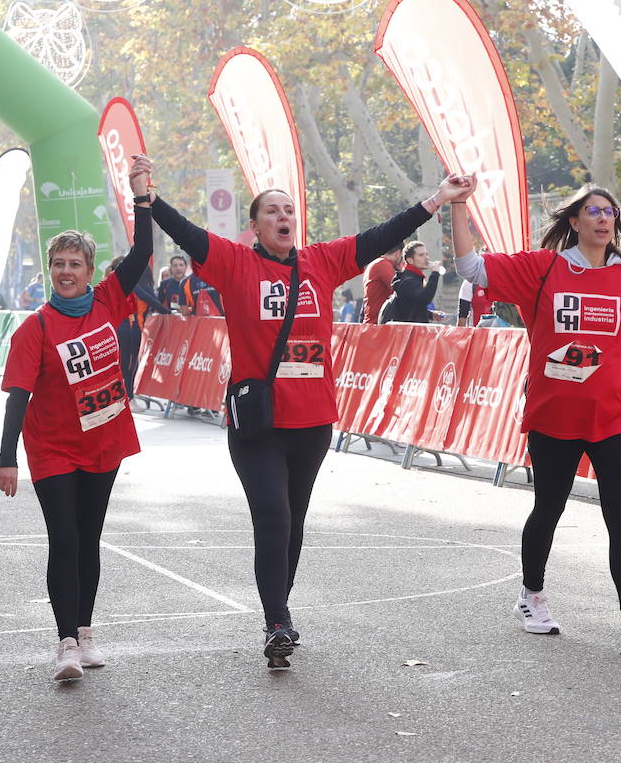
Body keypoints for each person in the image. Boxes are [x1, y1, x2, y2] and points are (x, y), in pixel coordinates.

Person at [143, 152, 473, 668]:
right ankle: (277, 621)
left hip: (313, 421)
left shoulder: (321, 261)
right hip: (259, 423)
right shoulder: (234, 263)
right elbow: (185, 231)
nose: (282, 217)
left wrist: (438, 198)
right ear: (255, 226)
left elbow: (384, 232)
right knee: (271, 515)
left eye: (289, 210)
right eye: (272, 211)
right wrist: (148, 194)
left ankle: (281, 606)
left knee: (292, 522)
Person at [454, 184, 621, 657]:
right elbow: (470, 268)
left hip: (613, 414)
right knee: (549, 508)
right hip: (554, 414)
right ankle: (531, 596)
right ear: (574, 221)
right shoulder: (544, 267)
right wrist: (457, 206)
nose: (603, 219)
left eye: (610, 212)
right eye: (592, 211)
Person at [0, 155, 155, 682]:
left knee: (89, 538)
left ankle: (86, 632)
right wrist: (6, 459)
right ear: (50, 270)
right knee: (63, 539)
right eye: (58, 264)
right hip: (53, 448)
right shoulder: (34, 329)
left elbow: (145, 251)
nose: (66, 272)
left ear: (90, 271)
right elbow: (17, 396)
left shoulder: (109, 300)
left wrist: (141, 194)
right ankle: (64, 643)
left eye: (75, 264)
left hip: (102, 444)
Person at [106, 255, 171, 396]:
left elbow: (152, 301)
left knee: (129, 363)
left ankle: (128, 394)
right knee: (128, 364)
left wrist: (168, 311)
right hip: (127, 330)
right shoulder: (129, 284)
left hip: (130, 329)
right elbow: (153, 302)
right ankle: (128, 395)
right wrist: (169, 312)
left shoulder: (140, 283)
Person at [383, 240, 442, 323]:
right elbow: (425, 298)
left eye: (426, 254)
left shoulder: (413, 278)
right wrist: (435, 274)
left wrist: (430, 315)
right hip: (409, 333)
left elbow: (412, 306)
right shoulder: (408, 281)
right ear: (410, 260)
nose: (427, 258)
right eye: (421, 255)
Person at [362, 243, 404, 324]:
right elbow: (401, 291)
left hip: (374, 323)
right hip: (378, 325)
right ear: (398, 253)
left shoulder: (376, 263)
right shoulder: (383, 265)